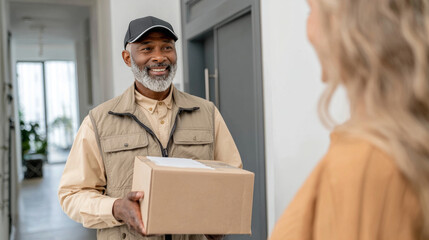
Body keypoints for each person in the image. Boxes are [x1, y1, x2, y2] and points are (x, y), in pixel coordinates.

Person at [58, 16, 241, 240]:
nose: (159, 57)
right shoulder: (98, 121)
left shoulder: (207, 113)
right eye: (147, 48)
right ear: (127, 58)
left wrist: (221, 218)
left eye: (167, 47)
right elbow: (72, 194)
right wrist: (116, 208)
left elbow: (233, 180)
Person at [270, 0, 429, 239]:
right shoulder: (390, 148)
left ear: (343, 25)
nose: (308, 30)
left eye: (310, 11)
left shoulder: (365, 166)